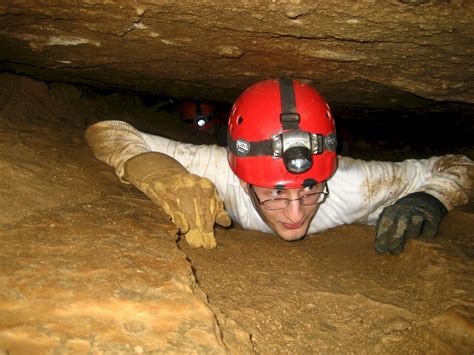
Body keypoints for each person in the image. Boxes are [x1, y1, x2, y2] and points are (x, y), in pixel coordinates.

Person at [85, 78, 473, 255]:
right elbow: (109, 132)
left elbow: (460, 166)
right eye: (275, 192)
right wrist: (160, 174)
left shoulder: (354, 182)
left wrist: (430, 198)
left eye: (309, 190)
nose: (295, 212)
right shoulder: (219, 169)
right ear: (243, 176)